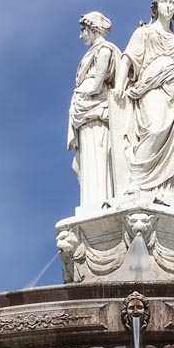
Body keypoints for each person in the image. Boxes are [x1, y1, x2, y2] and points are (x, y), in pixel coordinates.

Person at [113, 0, 174, 199]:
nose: (169, 6)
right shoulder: (144, 32)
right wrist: (119, 85)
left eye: (172, 3)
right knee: (154, 129)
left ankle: (169, 188)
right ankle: (137, 180)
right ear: (156, 6)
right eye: (165, 2)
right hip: (151, 86)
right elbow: (127, 59)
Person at [68, 11, 120, 209]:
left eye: (83, 30)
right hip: (85, 111)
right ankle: (92, 202)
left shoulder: (104, 50)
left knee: (97, 157)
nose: (81, 35)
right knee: (82, 163)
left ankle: (98, 202)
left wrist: (83, 94)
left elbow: (98, 85)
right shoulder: (94, 52)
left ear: (93, 28)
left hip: (95, 109)